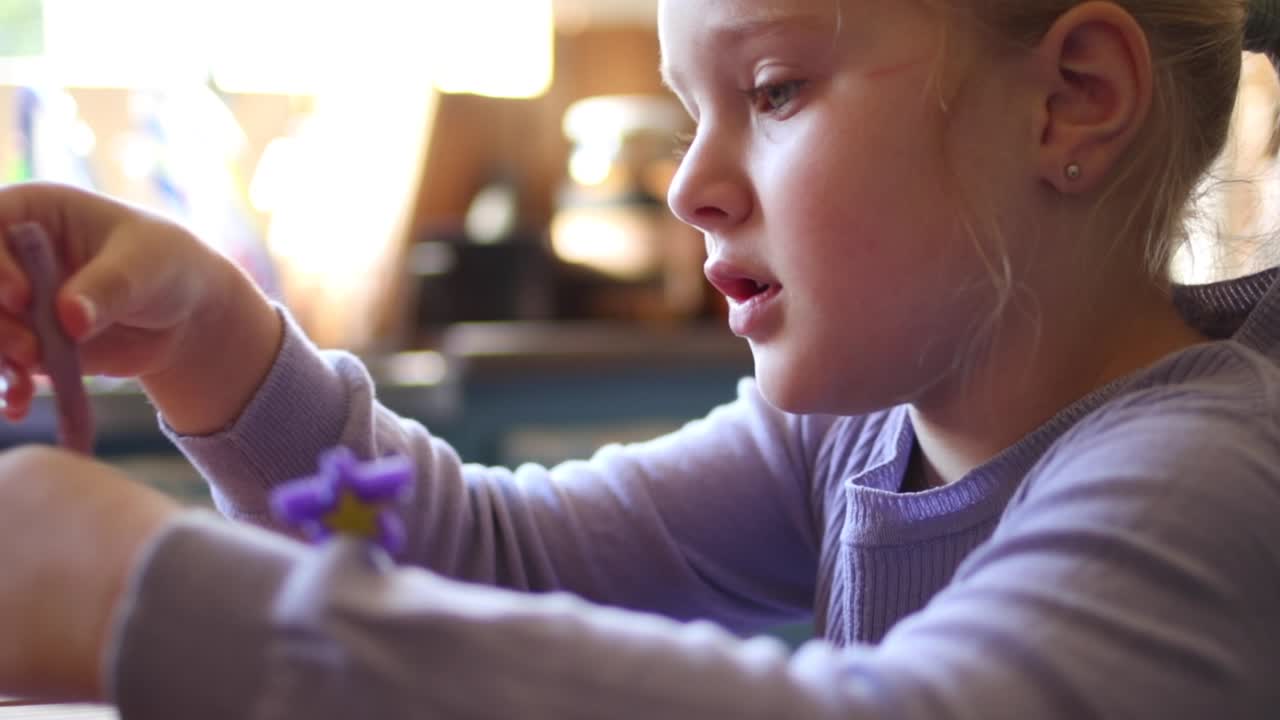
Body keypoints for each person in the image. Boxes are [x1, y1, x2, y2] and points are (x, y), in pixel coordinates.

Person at [0, 0, 1278, 717]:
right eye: (685, 114)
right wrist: (214, 342)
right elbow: (483, 556)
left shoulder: (1206, 481)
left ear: (1068, 99)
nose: (686, 187)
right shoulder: (844, 439)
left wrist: (146, 596)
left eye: (771, 90)